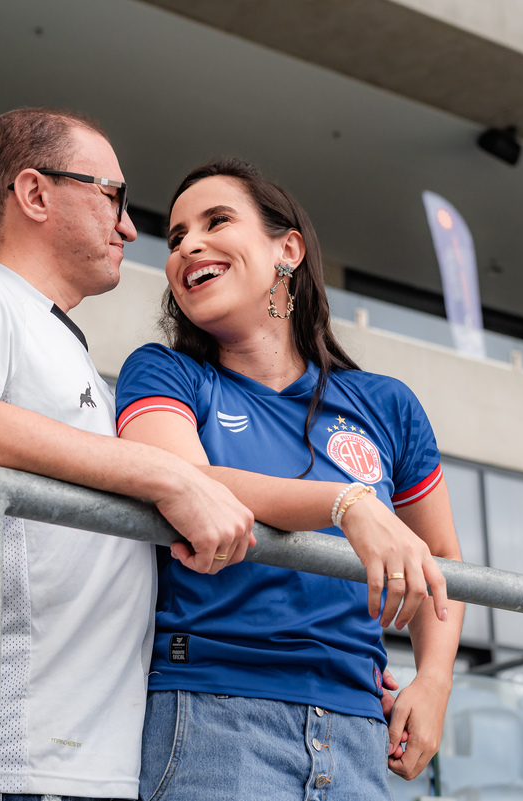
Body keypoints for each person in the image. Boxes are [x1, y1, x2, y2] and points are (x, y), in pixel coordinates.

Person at [0, 110, 255, 801]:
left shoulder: (63, 348)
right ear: (35, 194)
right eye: (113, 195)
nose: (129, 226)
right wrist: (163, 472)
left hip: (70, 764)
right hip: (7, 763)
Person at [115, 158, 465, 800]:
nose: (188, 244)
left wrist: (436, 679)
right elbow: (183, 479)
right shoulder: (163, 373)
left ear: (288, 249)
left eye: (217, 220)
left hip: (362, 732)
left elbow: (442, 557)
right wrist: (347, 504)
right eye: (175, 237)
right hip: (211, 719)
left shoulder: (385, 405)